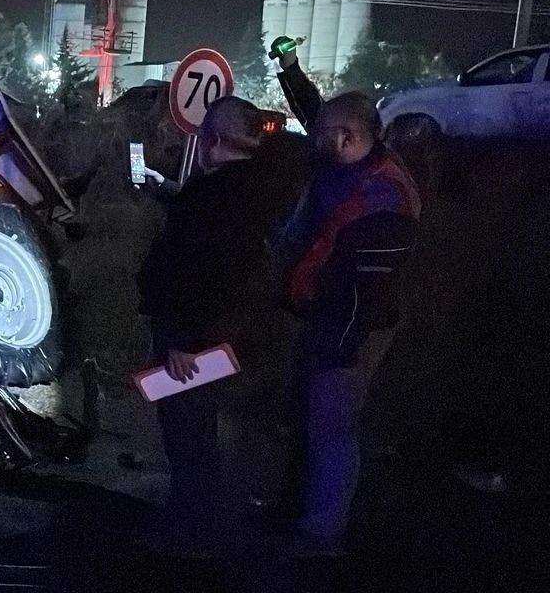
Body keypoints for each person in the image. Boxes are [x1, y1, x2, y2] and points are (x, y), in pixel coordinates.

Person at [270, 39, 422, 554]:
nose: (311, 143)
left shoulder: (387, 198)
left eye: (322, 138)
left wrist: (340, 348)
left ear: (348, 137)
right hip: (323, 315)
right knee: (304, 417)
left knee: (332, 427)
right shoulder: (349, 157)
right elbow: (316, 112)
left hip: (352, 327)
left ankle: (322, 533)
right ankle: (296, 510)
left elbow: (366, 287)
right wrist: (289, 67)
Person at [135, 96, 296, 554]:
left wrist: (186, 341)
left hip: (190, 340)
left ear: (215, 139)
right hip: (210, 335)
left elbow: (207, 272)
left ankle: (191, 531)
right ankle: (191, 520)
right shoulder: (249, 188)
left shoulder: (220, 196)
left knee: (189, 434)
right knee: (195, 429)